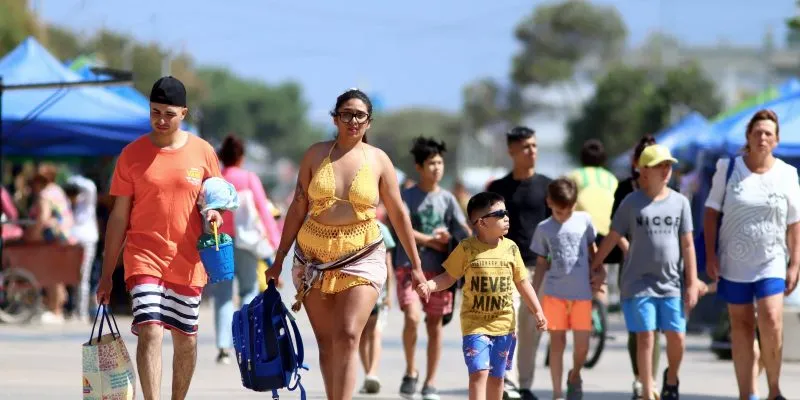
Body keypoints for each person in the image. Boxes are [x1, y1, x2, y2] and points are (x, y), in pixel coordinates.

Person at [263, 89, 427, 400]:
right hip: (313, 259)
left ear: (369, 122)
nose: (353, 120)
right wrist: (278, 258)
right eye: (346, 114)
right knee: (326, 341)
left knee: (349, 335)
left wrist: (417, 267)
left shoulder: (379, 160)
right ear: (336, 118)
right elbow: (298, 206)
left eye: (359, 115)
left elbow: (398, 212)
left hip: (362, 254)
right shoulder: (314, 154)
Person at [95, 76, 225, 400]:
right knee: (150, 330)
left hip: (187, 258)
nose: (161, 120)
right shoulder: (131, 155)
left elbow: (217, 199)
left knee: (186, 340)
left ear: (184, 113)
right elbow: (119, 218)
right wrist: (106, 274)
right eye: (155, 112)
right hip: (143, 255)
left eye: (169, 113)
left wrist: (215, 212)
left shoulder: (203, 152)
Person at [703, 109, 799, 400]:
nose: (762, 137)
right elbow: (710, 213)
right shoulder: (728, 168)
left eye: (768, 133)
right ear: (748, 136)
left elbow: (795, 221)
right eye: (757, 132)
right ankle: (748, 392)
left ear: (777, 140)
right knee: (742, 326)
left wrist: (795, 263)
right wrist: (710, 254)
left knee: (771, 318)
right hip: (734, 261)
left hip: (771, 259)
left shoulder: (787, 173)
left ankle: (773, 388)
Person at [593, 144, 702, 400]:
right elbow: (613, 236)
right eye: (660, 166)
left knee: (677, 338)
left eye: (669, 165)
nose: (667, 170)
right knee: (645, 336)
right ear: (643, 171)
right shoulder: (631, 203)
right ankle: (646, 389)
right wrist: (594, 263)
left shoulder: (680, 203)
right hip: (638, 283)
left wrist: (692, 281)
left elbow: (687, 243)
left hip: (672, 284)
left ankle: (671, 376)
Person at [415, 191, 547, 400]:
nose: (506, 217)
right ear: (482, 222)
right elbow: (449, 277)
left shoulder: (511, 248)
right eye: (500, 213)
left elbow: (522, 283)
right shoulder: (466, 249)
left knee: (497, 377)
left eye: (506, 212)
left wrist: (537, 311)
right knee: (479, 373)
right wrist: (430, 285)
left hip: (504, 325)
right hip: (475, 325)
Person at [394, 136, 470, 400]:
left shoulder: (448, 199)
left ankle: (430, 382)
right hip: (408, 267)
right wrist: (430, 240)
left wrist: (448, 239)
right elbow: (400, 227)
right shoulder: (406, 196)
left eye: (439, 162)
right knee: (413, 317)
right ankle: (411, 370)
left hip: (441, 272)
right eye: (430, 163)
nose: (436, 168)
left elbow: (462, 231)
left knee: (435, 326)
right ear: (419, 167)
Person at [486, 126, 552, 400]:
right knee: (507, 324)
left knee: (530, 329)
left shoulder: (548, 186)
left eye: (534, 146)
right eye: (525, 147)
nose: (532, 151)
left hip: (540, 269)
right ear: (511, 151)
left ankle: (523, 384)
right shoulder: (498, 189)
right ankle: (509, 384)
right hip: (507, 268)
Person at [212, 133, 283, 365]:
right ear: (241, 157)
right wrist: (274, 242)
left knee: (222, 296)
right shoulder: (249, 178)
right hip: (246, 243)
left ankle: (223, 347)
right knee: (248, 290)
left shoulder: (217, 178)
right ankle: (245, 341)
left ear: (222, 156)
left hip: (220, 242)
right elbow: (263, 211)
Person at [530, 178, 598, 400]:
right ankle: (557, 394)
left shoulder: (585, 221)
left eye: (568, 211)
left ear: (575, 204)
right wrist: (533, 293)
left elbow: (593, 250)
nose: (564, 215)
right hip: (555, 294)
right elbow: (541, 263)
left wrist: (599, 271)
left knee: (582, 348)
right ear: (549, 202)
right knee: (557, 344)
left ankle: (575, 374)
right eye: (559, 211)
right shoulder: (543, 229)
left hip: (582, 295)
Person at [610, 134, 661, 398]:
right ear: (635, 162)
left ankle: (650, 380)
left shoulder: (666, 188)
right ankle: (639, 377)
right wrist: (630, 251)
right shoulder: (624, 189)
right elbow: (615, 229)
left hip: (661, 267)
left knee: (655, 326)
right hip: (630, 264)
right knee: (637, 324)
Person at [28, 164, 74, 325]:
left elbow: (43, 219)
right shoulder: (57, 190)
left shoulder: (45, 195)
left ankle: (55, 311)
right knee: (58, 273)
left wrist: (32, 235)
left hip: (53, 237)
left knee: (51, 273)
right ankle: (58, 309)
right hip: (66, 236)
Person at [359, 218, 396, 394]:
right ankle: (370, 374)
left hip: (372, 289)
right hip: (364, 288)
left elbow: (388, 263)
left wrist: (390, 293)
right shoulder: (354, 225)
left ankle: (371, 373)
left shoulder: (381, 228)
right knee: (365, 334)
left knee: (371, 333)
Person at [64, 174, 99, 323]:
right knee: (72, 278)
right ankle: (74, 309)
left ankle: (82, 312)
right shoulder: (72, 204)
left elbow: (90, 186)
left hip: (86, 241)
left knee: (83, 277)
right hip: (73, 242)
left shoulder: (88, 200)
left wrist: (73, 180)